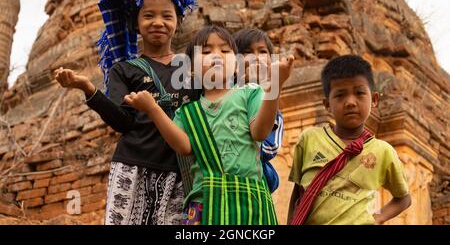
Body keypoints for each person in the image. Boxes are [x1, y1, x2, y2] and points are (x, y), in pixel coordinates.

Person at [54, 0, 199, 225]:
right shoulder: (126, 69)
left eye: (167, 16)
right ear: (136, 24)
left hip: (180, 170)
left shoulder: (192, 68)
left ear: (177, 22)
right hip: (132, 167)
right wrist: (88, 89)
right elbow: (123, 122)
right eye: (149, 16)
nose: (158, 22)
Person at [124, 25, 294, 225]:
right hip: (203, 203)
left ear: (237, 65)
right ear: (192, 70)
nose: (216, 56)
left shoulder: (251, 93)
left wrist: (275, 86)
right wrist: (153, 110)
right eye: (206, 51)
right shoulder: (188, 112)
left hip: (250, 201)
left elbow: (260, 132)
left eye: (224, 50)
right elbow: (184, 147)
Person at [288, 55, 411, 225]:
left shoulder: (383, 152)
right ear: (327, 105)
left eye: (359, 93)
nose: (350, 102)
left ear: (374, 99)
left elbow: (403, 198)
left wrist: (377, 217)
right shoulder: (309, 139)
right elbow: (298, 194)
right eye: (340, 95)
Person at [233, 28, 284, 193]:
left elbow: (270, 147)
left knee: (270, 176)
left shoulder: (271, 108)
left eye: (263, 52)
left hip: (252, 173)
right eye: (247, 52)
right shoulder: (221, 97)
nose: (255, 57)